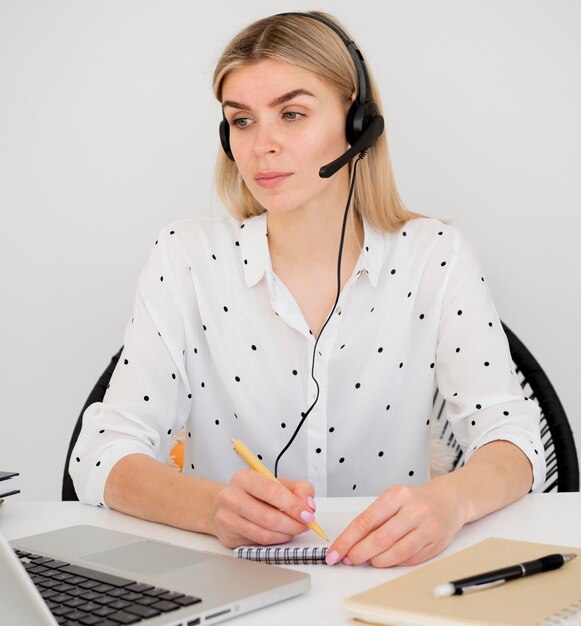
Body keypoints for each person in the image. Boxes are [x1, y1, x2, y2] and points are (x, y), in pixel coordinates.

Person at [70, 11, 546, 568]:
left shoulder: (435, 255)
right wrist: (211, 508)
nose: (261, 145)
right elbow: (100, 453)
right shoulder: (186, 257)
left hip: (385, 578)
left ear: (358, 122)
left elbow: (516, 438)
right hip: (230, 582)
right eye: (242, 121)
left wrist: (451, 501)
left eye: (291, 114)